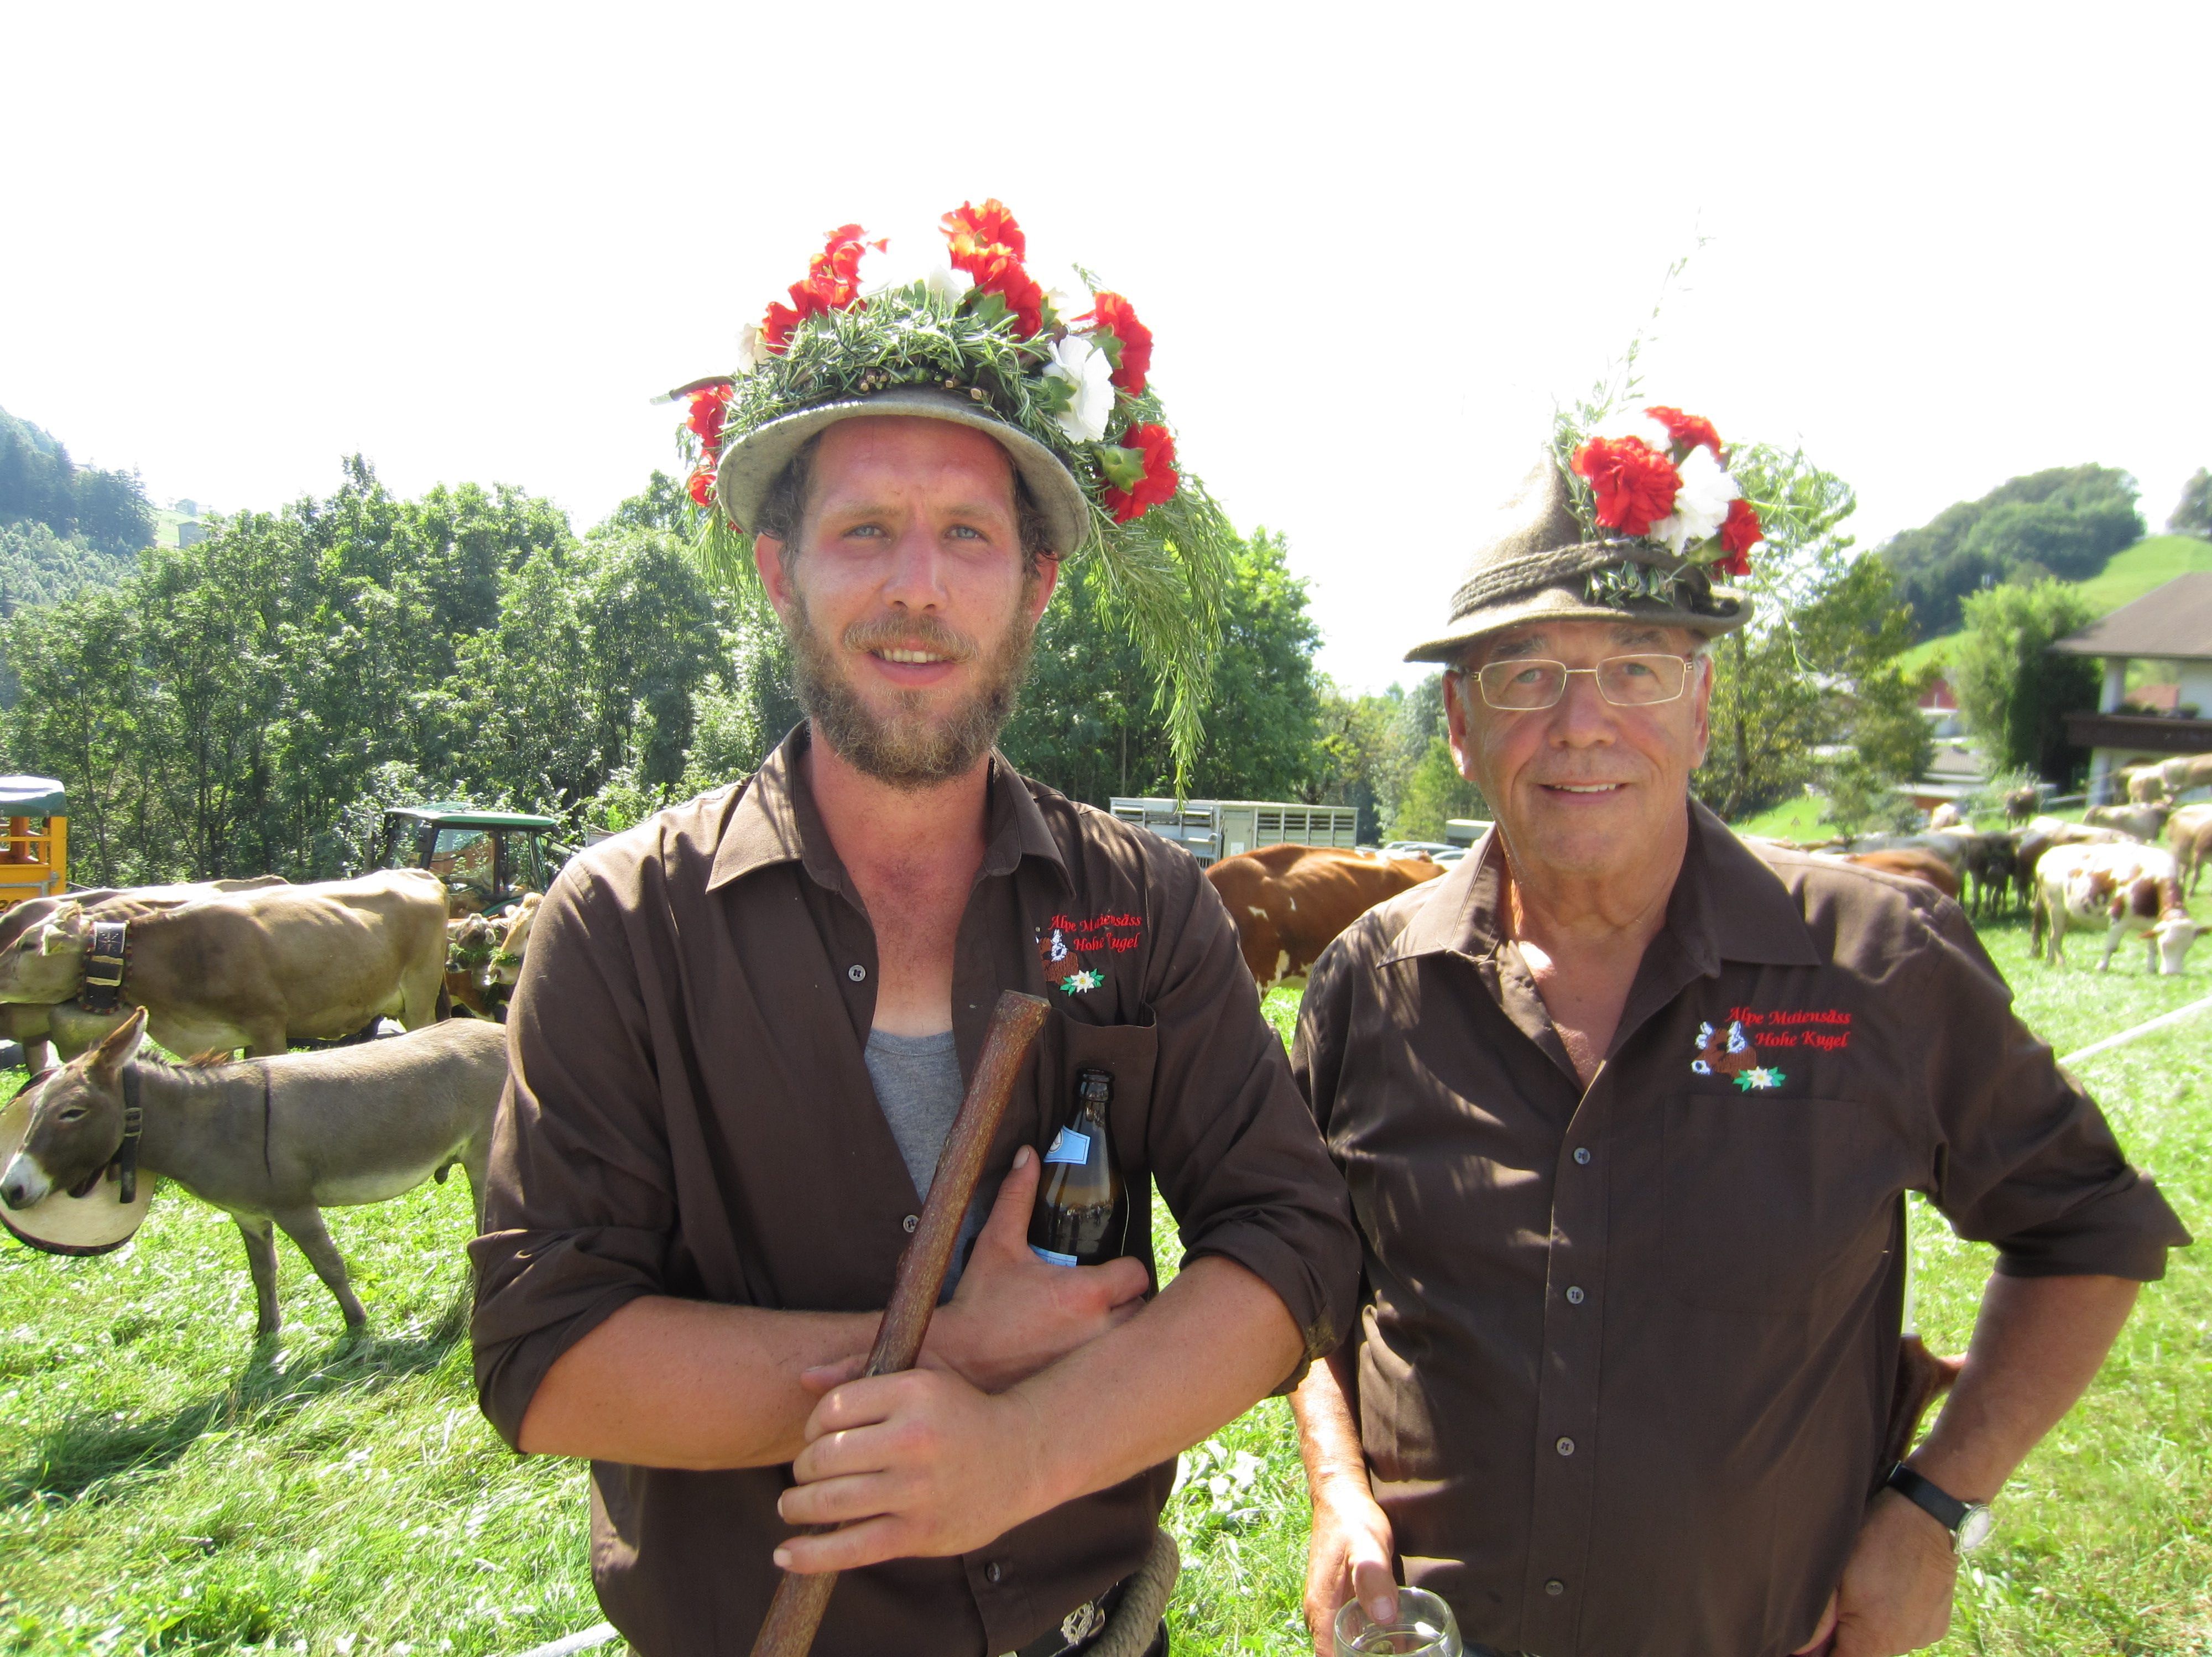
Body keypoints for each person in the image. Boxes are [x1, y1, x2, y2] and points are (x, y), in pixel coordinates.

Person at [469, 204, 1360, 1657]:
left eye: (966, 536)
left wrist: (1022, 1454)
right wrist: (934, 1357)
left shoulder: (1142, 909)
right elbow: (545, 1356)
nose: (915, 589)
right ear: (777, 572)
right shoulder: (621, 928)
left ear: (1038, 588)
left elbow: (1294, 1248)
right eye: (863, 532)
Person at [1287, 409, 2191, 1657]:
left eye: (1638, 666)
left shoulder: (1874, 961)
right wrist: (1335, 1488)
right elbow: (1301, 1289)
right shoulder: (1366, 988)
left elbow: (2087, 1229)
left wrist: (1937, 1505)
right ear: (1458, 724)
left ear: (1701, 706)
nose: (1582, 722)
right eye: (1524, 675)